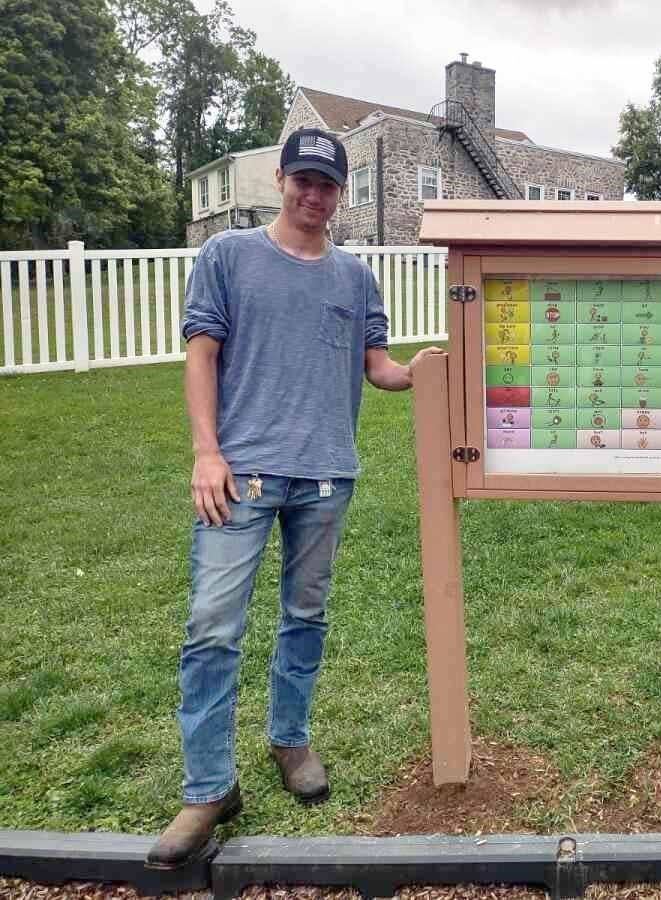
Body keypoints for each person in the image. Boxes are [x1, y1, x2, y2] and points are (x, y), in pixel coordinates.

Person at [146, 128, 445, 869]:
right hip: (240, 473)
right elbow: (201, 355)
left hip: (325, 474)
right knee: (213, 626)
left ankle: (290, 739)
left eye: (328, 185)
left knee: (305, 616)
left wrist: (426, 370)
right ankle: (208, 788)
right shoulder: (228, 257)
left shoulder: (355, 279)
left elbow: (377, 368)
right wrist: (206, 452)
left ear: (341, 194)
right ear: (280, 179)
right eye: (303, 180)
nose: (314, 195)